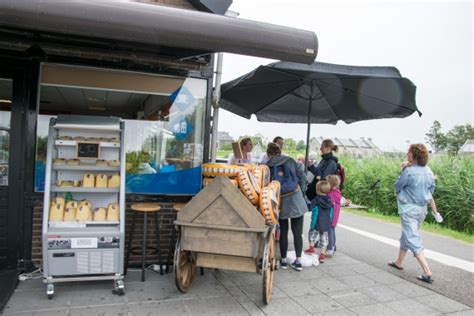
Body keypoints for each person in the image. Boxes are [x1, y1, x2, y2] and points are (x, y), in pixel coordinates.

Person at [388, 144, 436, 284]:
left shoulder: (408, 171)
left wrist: (403, 169)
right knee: (407, 235)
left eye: (408, 153)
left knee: (412, 237)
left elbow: (398, 186)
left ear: (412, 156)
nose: (407, 155)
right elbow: (431, 190)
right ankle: (399, 262)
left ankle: (427, 271)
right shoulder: (429, 171)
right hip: (422, 209)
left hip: (408, 209)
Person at [265, 142, 307, 271]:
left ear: (268, 154)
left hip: (280, 200)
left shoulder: (267, 166)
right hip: (296, 198)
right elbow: (303, 178)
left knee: (283, 232)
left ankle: (283, 261)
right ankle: (298, 261)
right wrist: (302, 192)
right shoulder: (291, 161)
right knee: (297, 232)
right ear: (279, 151)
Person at [304, 181, 333, 263]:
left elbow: (313, 211)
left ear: (317, 191)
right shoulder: (330, 200)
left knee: (312, 235)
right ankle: (322, 255)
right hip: (326, 223)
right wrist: (329, 222)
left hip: (316, 222)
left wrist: (313, 223)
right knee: (324, 239)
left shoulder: (315, 200)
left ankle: (311, 248)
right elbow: (331, 213)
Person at [326, 175, 342, 257]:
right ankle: (333, 246)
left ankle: (330, 248)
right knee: (332, 231)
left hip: (331, 216)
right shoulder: (337, 192)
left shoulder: (332, 193)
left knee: (330, 232)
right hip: (334, 216)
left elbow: (329, 203)